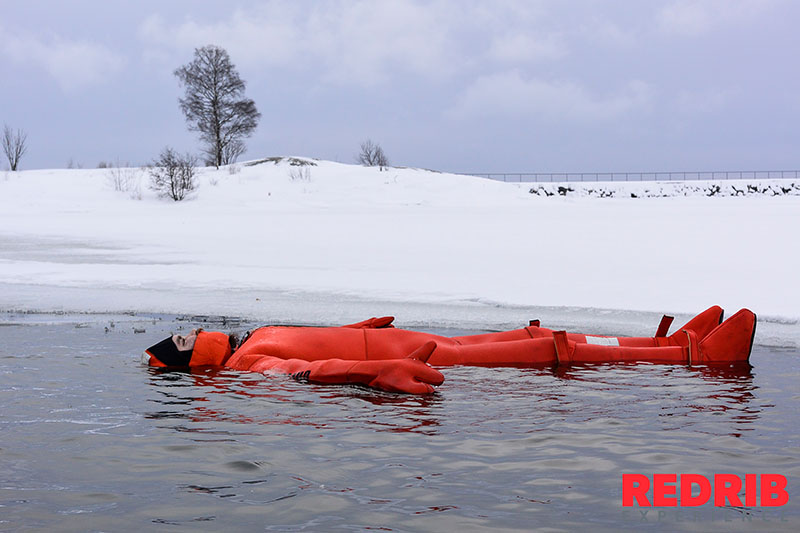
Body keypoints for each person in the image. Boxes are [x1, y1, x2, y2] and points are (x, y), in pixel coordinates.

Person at [143, 306, 757, 394]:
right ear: (188, 360)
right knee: (545, 350)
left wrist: (367, 328)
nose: (187, 332)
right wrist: (379, 366)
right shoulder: (250, 364)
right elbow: (315, 369)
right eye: (179, 342)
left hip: (415, 341)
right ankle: (694, 360)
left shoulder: (247, 341)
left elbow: (313, 341)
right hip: (426, 358)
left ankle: (663, 340)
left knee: (524, 336)